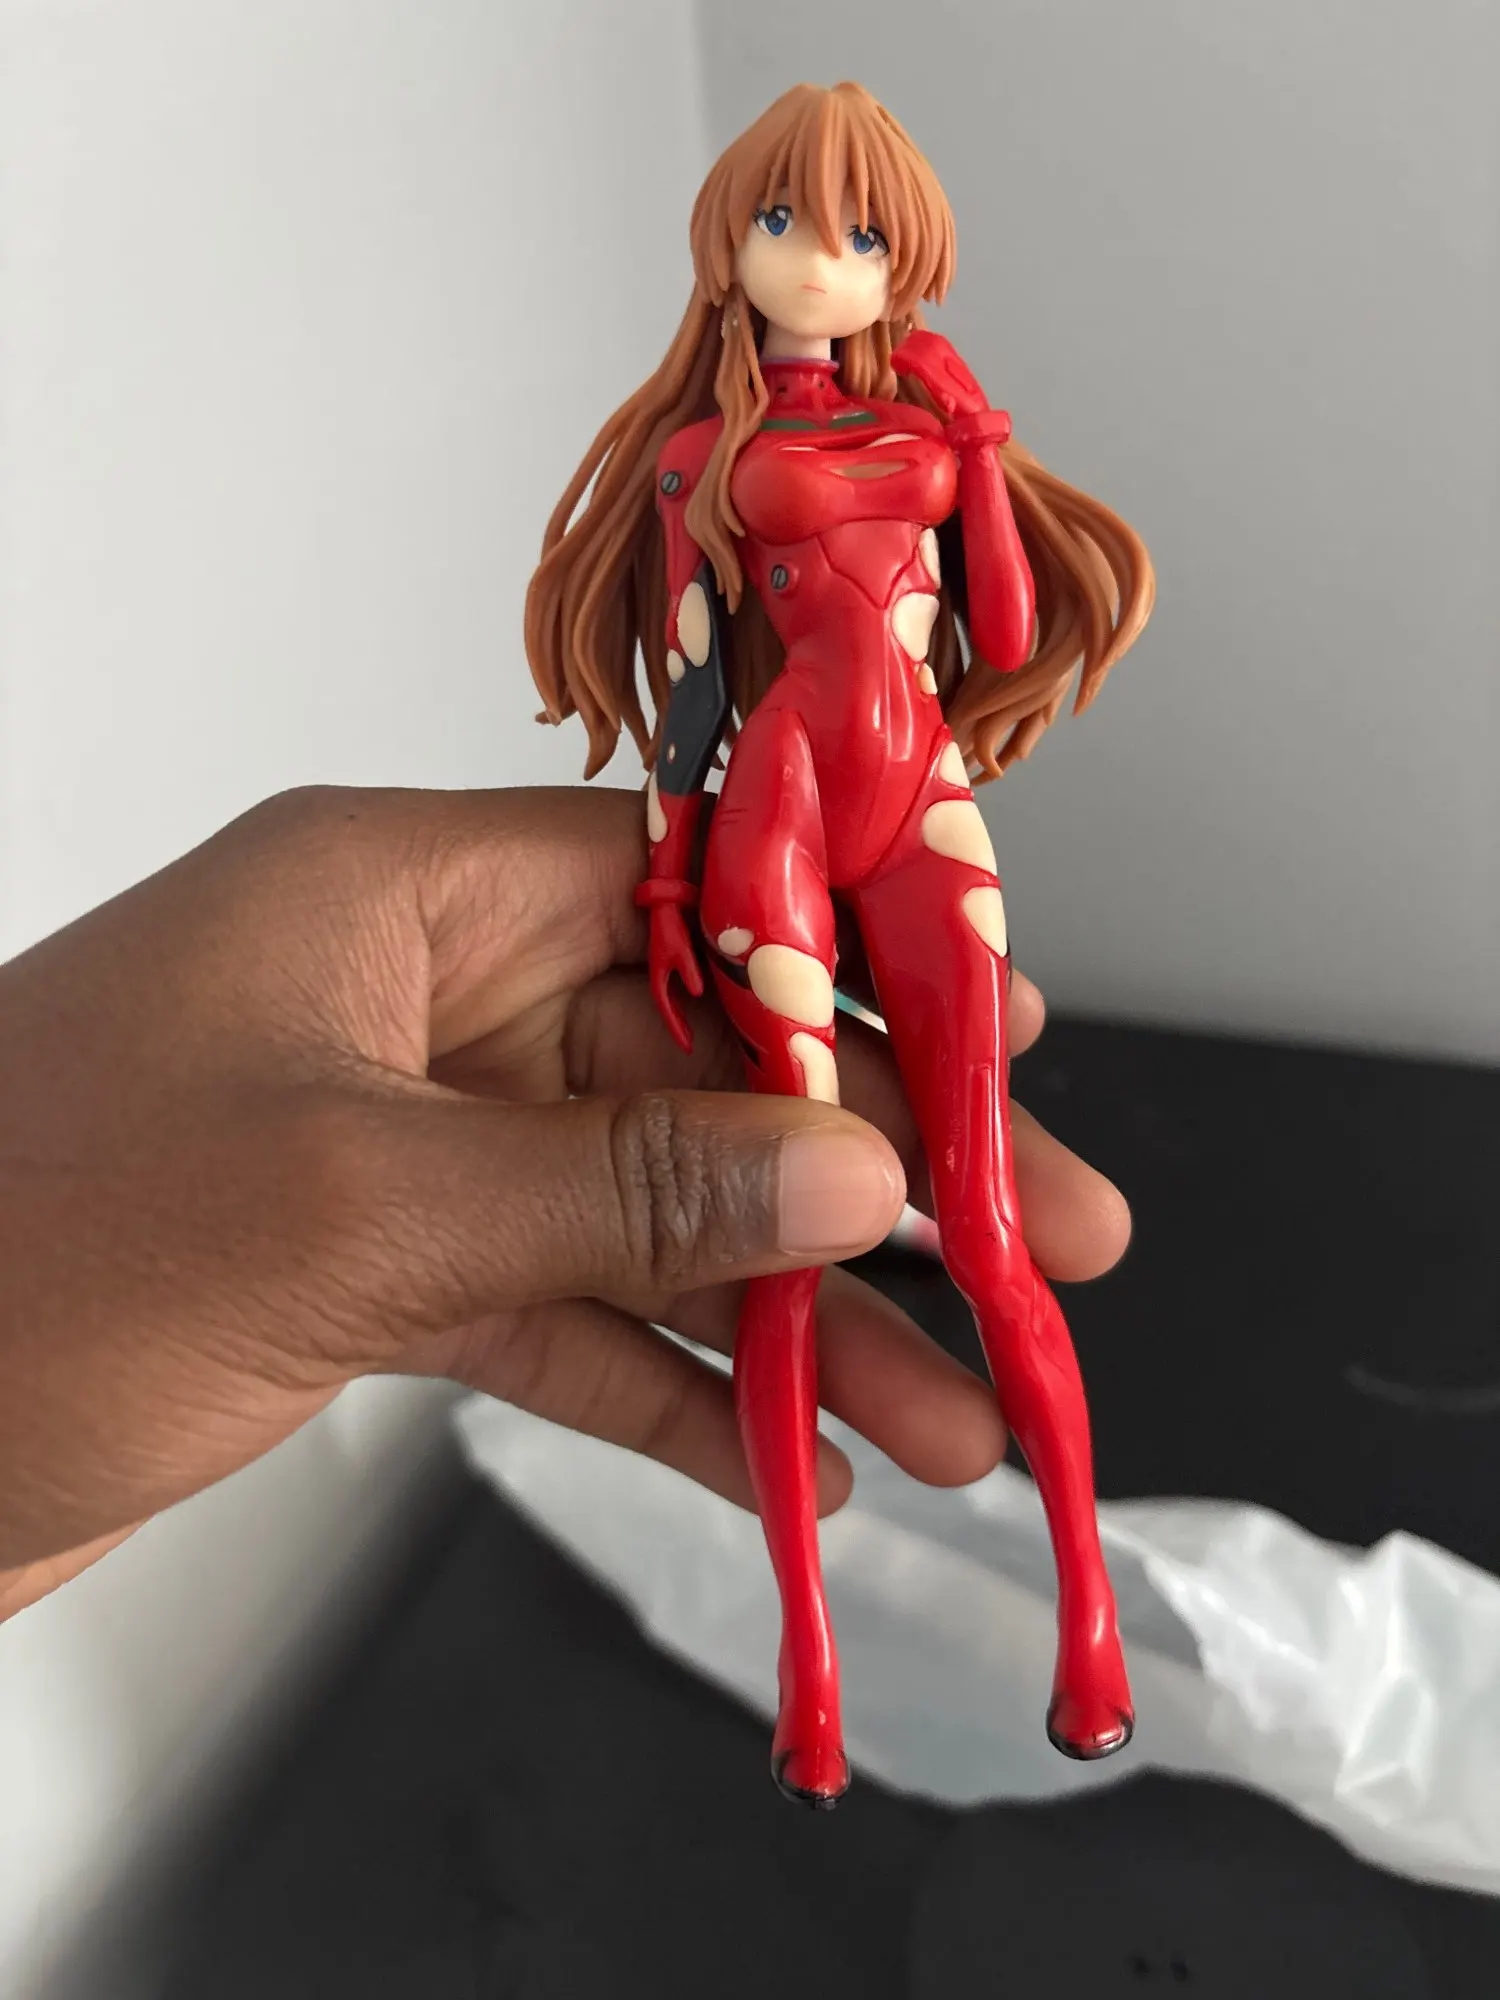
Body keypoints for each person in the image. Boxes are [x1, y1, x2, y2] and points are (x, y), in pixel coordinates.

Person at [0, 784, 1129, 1623]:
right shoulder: (713, 551)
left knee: (981, 1229)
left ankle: (1083, 1607)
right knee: (786, 1273)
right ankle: (816, 1654)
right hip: (787, 831)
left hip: (887, 828)